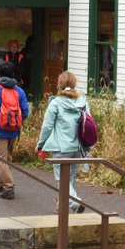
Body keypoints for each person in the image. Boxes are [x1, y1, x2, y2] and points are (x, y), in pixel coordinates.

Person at [34, 70, 87, 213]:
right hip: (77, 147)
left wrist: (40, 144)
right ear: (74, 84)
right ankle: (62, 206)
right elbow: (88, 123)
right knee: (70, 178)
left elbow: (47, 126)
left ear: (59, 85)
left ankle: (75, 203)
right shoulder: (82, 102)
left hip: (61, 148)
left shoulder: (56, 103)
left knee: (62, 179)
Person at [0, 61, 30, 200]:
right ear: (13, 74)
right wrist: (17, 123)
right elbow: (25, 111)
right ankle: (0, 182)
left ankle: (8, 187)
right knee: (7, 157)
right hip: (14, 130)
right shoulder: (19, 91)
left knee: (1, 159)